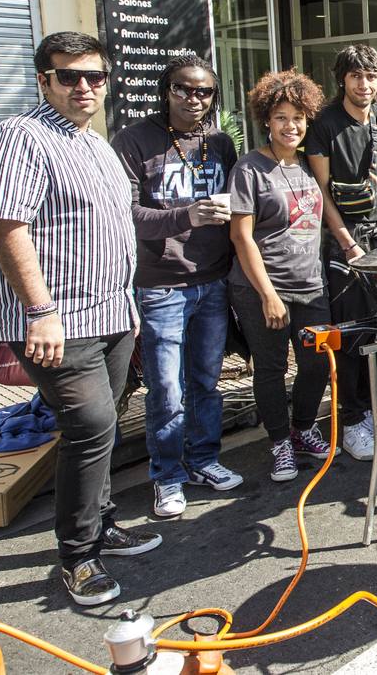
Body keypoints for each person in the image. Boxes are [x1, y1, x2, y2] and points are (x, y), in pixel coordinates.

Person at [0, 31, 159, 606]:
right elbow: (8, 228)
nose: (85, 87)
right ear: (43, 80)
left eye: (95, 77)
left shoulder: (96, 144)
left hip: (110, 313)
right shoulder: (15, 139)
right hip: (59, 321)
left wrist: (127, 309)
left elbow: (114, 228)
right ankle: (78, 558)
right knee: (90, 426)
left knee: (104, 424)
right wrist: (41, 312)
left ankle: (102, 522)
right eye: (69, 76)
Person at [111, 53, 242, 520]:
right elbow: (127, 215)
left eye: (203, 91)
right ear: (167, 91)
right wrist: (187, 215)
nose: (194, 98)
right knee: (166, 388)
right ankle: (167, 477)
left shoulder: (220, 142)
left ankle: (204, 459)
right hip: (161, 284)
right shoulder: (133, 140)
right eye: (183, 89)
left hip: (213, 281)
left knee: (206, 381)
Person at [228, 71, 335, 483]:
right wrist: (268, 295)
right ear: (266, 121)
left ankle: (303, 426)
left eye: (298, 118)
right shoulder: (249, 168)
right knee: (271, 369)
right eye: (280, 117)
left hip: (311, 285)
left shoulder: (308, 165)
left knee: (316, 364)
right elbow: (241, 237)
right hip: (262, 288)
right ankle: (279, 444)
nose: (290, 126)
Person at [305, 44, 377, 461]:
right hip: (343, 246)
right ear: (342, 79)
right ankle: (350, 421)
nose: (365, 85)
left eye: (371, 76)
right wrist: (348, 242)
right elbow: (320, 191)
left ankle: (369, 414)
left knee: (376, 330)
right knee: (348, 335)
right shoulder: (323, 124)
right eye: (356, 76)